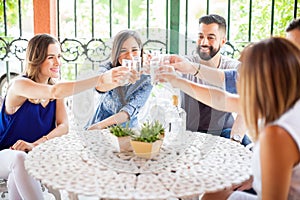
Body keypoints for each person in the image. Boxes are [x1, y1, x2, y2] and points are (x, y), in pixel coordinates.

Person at [157, 37, 300, 199]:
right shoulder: (281, 104)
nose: (237, 77)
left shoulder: (276, 134)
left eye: (243, 71)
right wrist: (176, 80)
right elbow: (220, 99)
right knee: (214, 191)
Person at [0, 33, 131, 199]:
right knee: (20, 158)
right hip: (5, 154)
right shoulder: (19, 85)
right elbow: (55, 91)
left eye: (59, 56)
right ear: (37, 58)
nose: (58, 63)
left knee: (20, 174)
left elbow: (64, 126)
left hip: (33, 155)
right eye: (51, 57)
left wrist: (36, 144)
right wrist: (100, 78)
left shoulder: (54, 91)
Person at [172, 14, 250, 145]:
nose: (204, 42)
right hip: (191, 133)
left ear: (223, 41)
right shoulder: (185, 63)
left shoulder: (233, 67)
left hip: (224, 131)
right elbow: (166, 64)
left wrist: (235, 139)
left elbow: (246, 107)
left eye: (210, 38)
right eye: (201, 36)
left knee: (248, 151)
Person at [86, 30, 152, 130]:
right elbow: (99, 86)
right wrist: (120, 79)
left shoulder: (147, 78)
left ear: (140, 51)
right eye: (123, 51)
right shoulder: (107, 68)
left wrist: (100, 126)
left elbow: (128, 111)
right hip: (99, 121)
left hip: (127, 129)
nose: (129, 56)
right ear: (116, 53)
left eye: (134, 50)